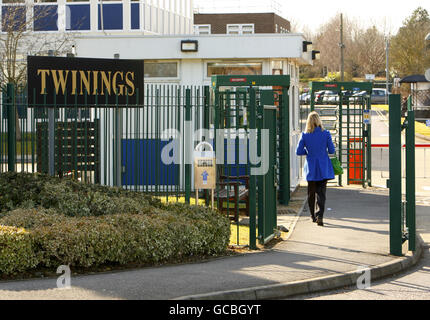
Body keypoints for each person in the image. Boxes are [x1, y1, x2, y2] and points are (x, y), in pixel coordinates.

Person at [296, 111, 336, 226]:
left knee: (311, 193)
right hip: (323, 168)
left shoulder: (305, 135)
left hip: (311, 168)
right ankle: (320, 216)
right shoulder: (326, 133)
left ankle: (312, 216)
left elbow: (298, 151)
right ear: (319, 121)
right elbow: (332, 151)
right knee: (321, 193)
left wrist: (308, 152)